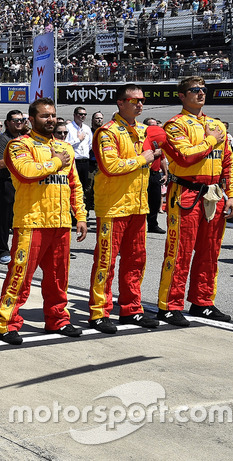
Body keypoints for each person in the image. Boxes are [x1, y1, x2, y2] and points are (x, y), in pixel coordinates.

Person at [0, 98, 87, 345]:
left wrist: (80, 216)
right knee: (20, 277)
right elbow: (27, 173)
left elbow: (75, 185)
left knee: (59, 278)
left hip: (60, 223)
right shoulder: (18, 146)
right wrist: (56, 162)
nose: (51, 120)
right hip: (31, 222)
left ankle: (58, 319)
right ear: (32, 119)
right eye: (45, 116)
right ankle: (7, 323)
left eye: (53, 115)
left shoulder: (65, 148)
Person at [156, 77, 233, 326]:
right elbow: (185, 157)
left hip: (214, 194)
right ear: (182, 96)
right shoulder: (174, 125)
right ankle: (169, 306)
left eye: (203, 90)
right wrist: (211, 139)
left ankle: (203, 302)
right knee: (179, 252)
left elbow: (228, 162)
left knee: (209, 252)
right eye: (194, 90)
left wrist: (232, 194)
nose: (201, 93)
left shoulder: (215, 125)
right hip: (185, 194)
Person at [88, 84, 161, 334]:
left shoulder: (143, 130)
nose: (139, 104)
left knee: (136, 261)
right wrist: (145, 158)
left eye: (141, 100)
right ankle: (99, 312)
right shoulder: (107, 132)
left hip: (138, 207)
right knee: (105, 262)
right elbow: (111, 166)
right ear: (120, 103)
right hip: (113, 207)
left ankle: (132, 309)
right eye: (134, 101)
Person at [0, 110, 25, 264]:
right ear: (8, 122)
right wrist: (21, 159)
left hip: (23, 183)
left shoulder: (25, 139)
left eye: (22, 120)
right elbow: (0, 163)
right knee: (5, 219)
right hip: (6, 183)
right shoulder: (2, 140)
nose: (19, 122)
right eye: (16, 120)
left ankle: (19, 249)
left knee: (21, 219)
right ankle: (2, 250)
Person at [65, 106, 93, 215]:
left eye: (84, 115)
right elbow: (65, 144)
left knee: (84, 189)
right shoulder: (68, 128)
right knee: (72, 187)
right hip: (73, 161)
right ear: (75, 115)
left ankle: (81, 212)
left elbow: (89, 145)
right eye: (80, 114)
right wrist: (78, 140)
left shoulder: (86, 128)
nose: (82, 116)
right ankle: (71, 213)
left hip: (84, 161)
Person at [144, 117, 168, 234]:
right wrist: (154, 154)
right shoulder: (143, 140)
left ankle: (153, 224)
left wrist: (165, 173)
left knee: (155, 200)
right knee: (143, 201)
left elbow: (163, 159)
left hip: (155, 174)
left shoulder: (158, 143)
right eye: (152, 125)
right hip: (144, 174)